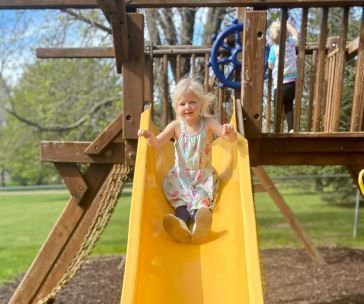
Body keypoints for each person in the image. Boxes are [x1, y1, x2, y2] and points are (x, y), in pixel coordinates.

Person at [138, 77, 237, 244]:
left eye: (192, 102)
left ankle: (200, 226)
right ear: (177, 107)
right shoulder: (175, 126)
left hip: (202, 177)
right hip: (180, 178)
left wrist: (229, 132)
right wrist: (149, 136)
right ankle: (181, 226)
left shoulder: (209, 122)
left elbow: (230, 139)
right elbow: (157, 143)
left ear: (201, 103)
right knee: (181, 205)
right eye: (182, 104)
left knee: (201, 203)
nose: (187, 107)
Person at [268, 20, 299, 133]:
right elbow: (295, 33)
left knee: (277, 109)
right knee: (289, 107)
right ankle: (291, 129)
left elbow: (270, 65)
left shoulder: (273, 49)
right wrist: (286, 23)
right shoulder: (291, 42)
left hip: (279, 85)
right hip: (291, 83)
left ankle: (276, 130)